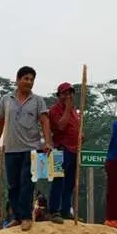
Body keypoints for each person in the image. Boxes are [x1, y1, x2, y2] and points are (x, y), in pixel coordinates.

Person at [0, 66, 53, 232]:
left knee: (27, 183)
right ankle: (17, 217)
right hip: (11, 149)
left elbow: (45, 121)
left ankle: (26, 217)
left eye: (32, 79)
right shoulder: (7, 99)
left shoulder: (38, 101)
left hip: (32, 149)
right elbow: (0, 121)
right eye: (26, 78)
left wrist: (47, 142)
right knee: (13, 185)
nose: (29, 82)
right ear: (18, 80)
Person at [48, 82, 81, 224]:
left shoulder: (75, 111)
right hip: (59, 149)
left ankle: (66, 211)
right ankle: (54, 210)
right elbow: (60, 126)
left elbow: (75, 127)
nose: (68, 96)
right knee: (58, 180)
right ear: (59, 95)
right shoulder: (54, 110)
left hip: (74, 150)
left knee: (70, 183)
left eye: (70, 93)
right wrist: (67, 108)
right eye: (65, 93)